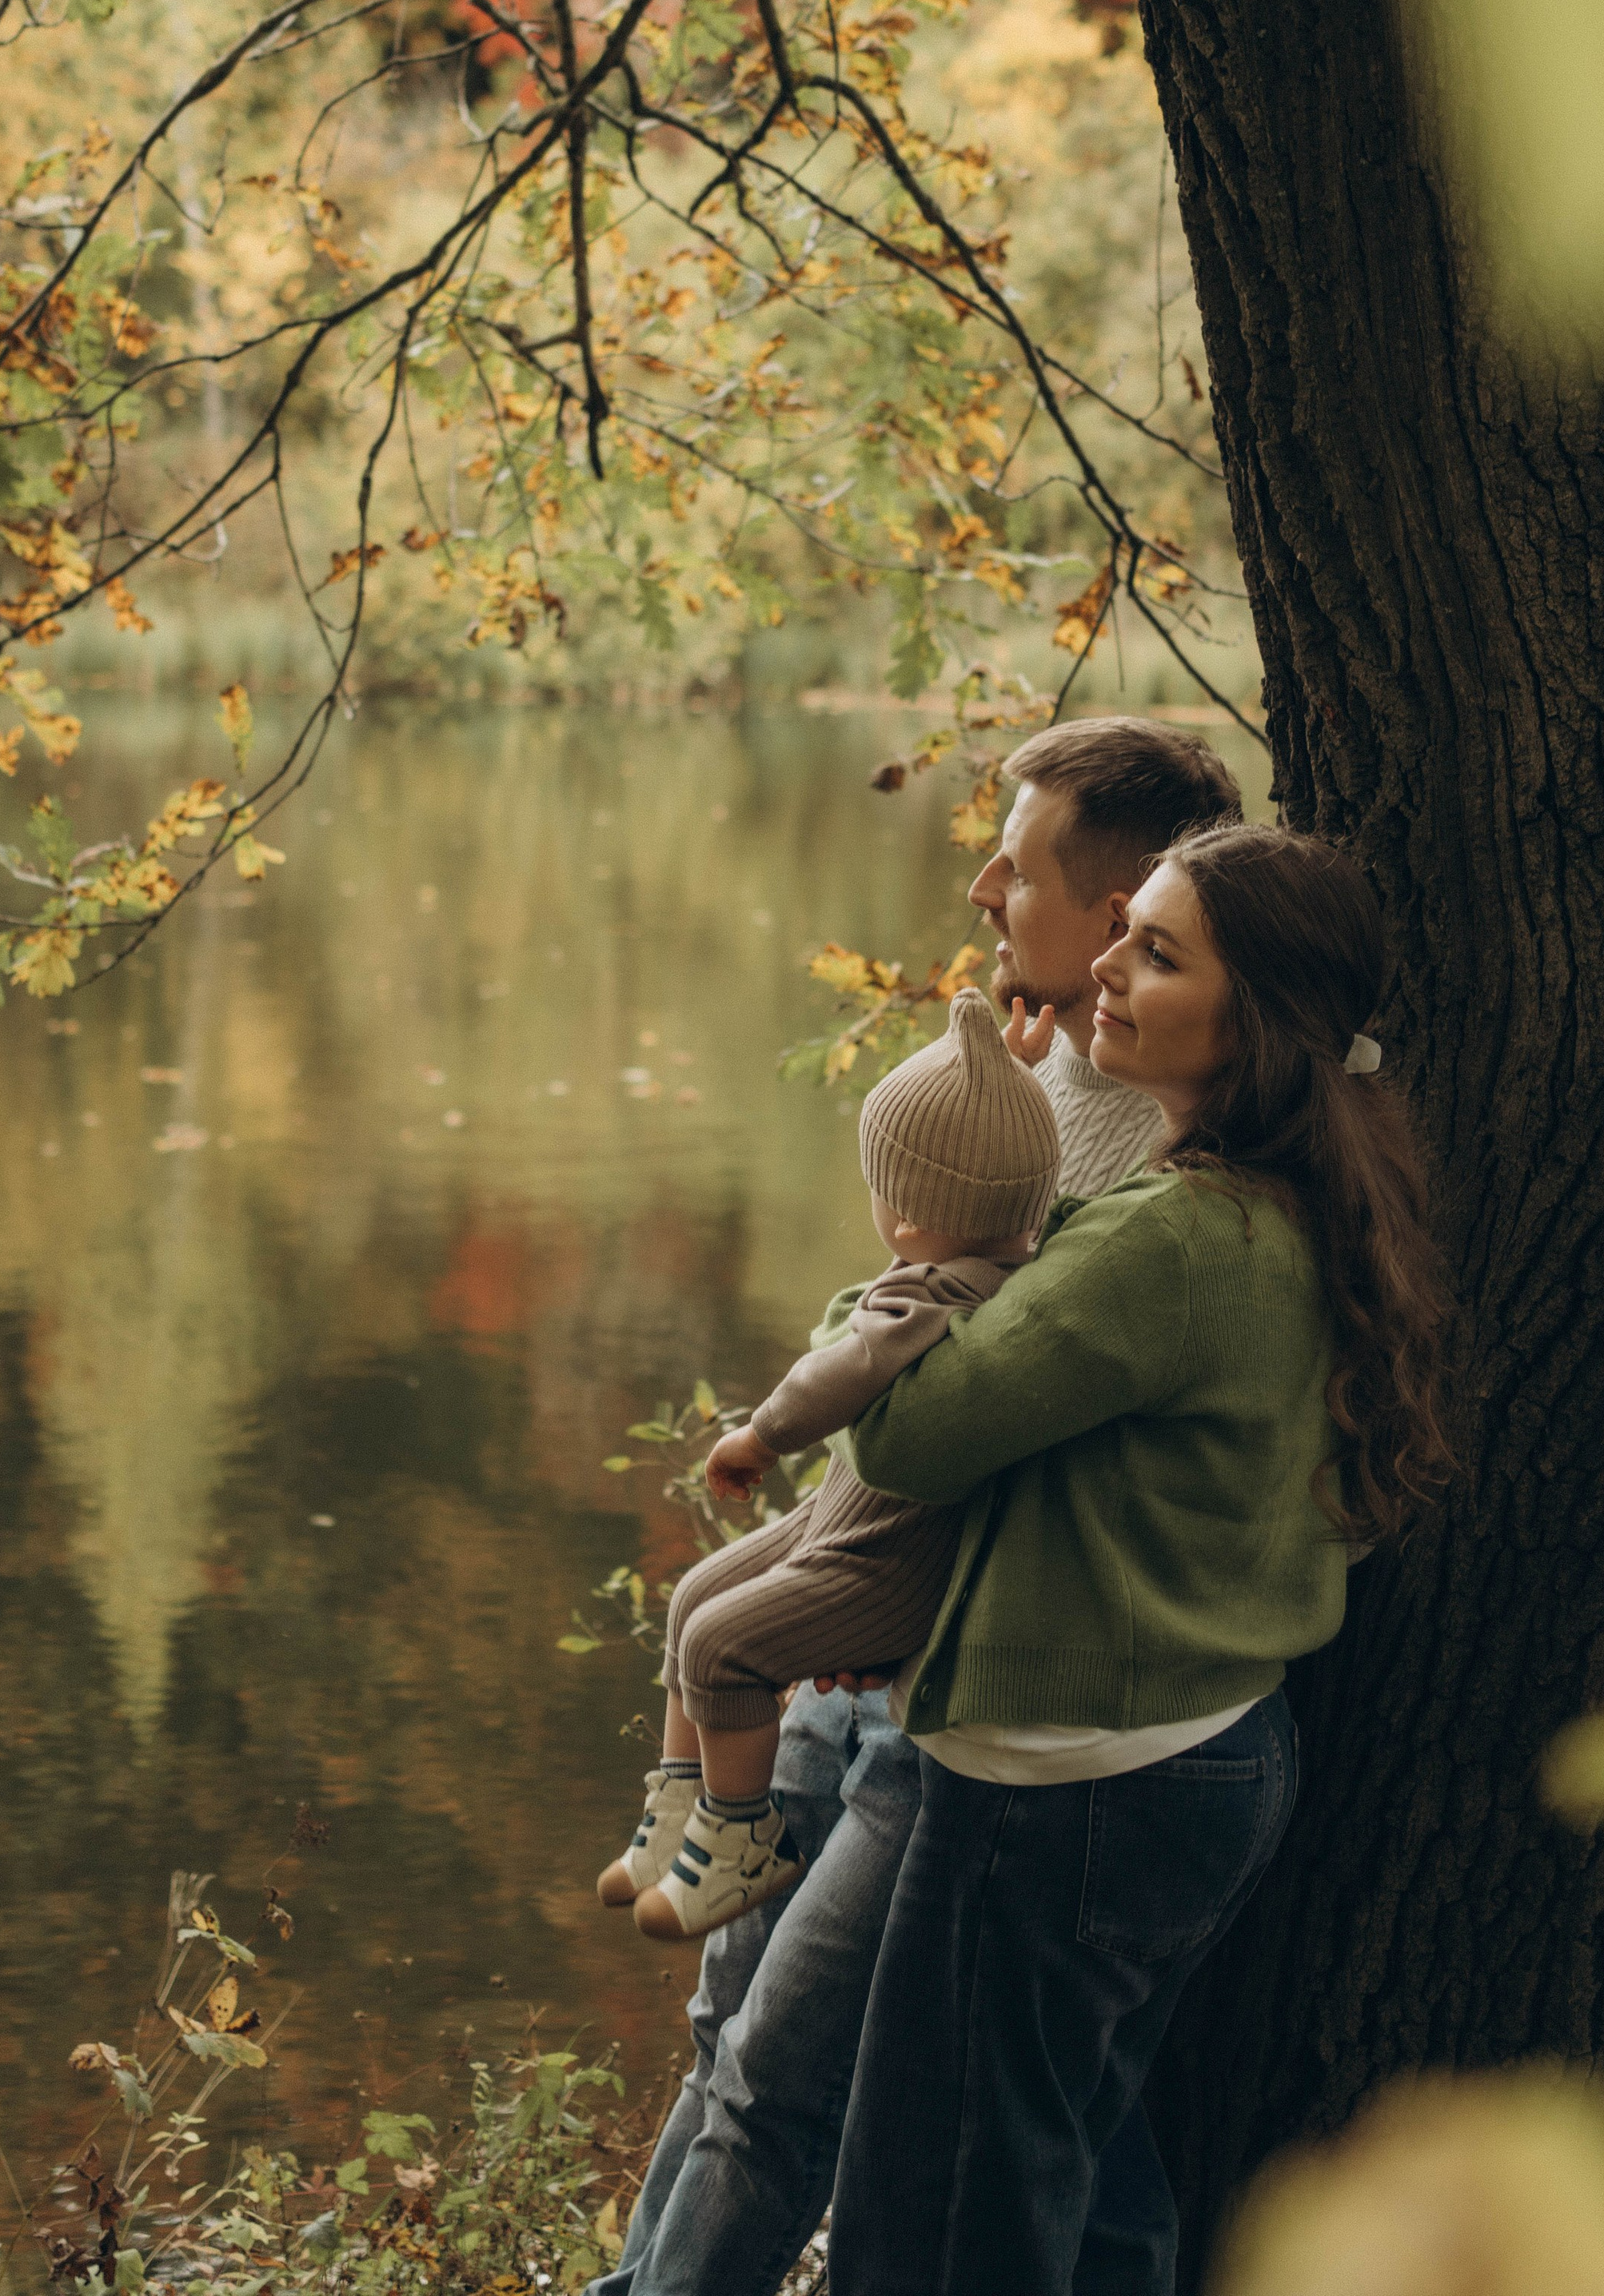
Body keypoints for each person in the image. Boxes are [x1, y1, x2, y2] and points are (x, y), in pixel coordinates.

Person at [590, 713, 1243, 2296]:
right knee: (730, 2041)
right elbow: (906, 1307)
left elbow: (966, 1403)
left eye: (1008, 865)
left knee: (802, 2091)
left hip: (961, 1689)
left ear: (1114, 913)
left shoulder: (1182, 1168)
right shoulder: (1030, 1085)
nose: (975, 890)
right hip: (857, 1633)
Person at [824, 821, 1454, 2296]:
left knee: (942, 2222)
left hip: (1067, 1793)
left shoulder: (1172, 1241)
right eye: (1126, 934)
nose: (1104, 963)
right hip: (1209, 1754)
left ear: (1264, 1020)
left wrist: (907, 1283)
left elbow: (904, 1439)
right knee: (1083, 2182)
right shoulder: (1311, 1199)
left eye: (1158, 950)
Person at [600, 987, 1060, 1941]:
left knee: (724, 1644)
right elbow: (998, 1167)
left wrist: (758, 1437)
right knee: (691, 1602)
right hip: (845, 1522)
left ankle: (741, 1834)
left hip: (882, 1557)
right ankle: (684, 1801)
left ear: (910, 1208)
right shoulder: (997, 1260)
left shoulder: (929, 1298)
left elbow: (838, 1372)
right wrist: (1014, 1077)